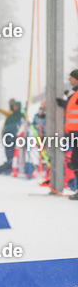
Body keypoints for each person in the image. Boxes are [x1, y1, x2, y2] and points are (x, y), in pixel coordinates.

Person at [56, 70, 78, 198]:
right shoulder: (75, 94)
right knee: (75, 161)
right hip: (74, 133)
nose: (69, 80)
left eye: (71, 78)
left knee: (76, 160)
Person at [0, 100, 24, 174]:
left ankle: (12, 167)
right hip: (6, 136)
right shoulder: (11, 115)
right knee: (8, 152)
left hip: (15, 137)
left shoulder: (21, 115)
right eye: (13, 106)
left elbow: (23, 126)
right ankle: (9, 166)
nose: (15, 108)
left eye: (16, 106)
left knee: (13, 153)